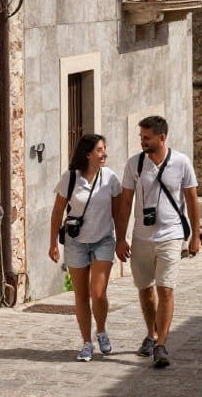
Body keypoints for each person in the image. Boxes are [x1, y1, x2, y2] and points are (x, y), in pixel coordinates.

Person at [115, 116, 201, 369]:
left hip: (171, 236)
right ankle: (151, 335)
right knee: (145, 288)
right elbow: (125, 204)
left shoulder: (181, 163)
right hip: (142, 237)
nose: (143, 142)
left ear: (161, 138)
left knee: (165, 289)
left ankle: (161, 345)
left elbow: (192, 199)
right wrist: (121, 237)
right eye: (142, 137)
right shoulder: (135, 165)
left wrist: (195, 235)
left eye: (147, 137)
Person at [49, 133, 123, 362]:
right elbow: (57, 211)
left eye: (104, 149)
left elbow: (118, 213)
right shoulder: (70, 179)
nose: (104, 154)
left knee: (98, 292)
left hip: (103, 240)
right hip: (76, 242)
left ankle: (101, 330)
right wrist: (52, 242)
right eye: (100, 150)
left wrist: (121, 240)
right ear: (88, 153)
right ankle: (87, 343)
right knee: (81, 295)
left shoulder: (110, 178)